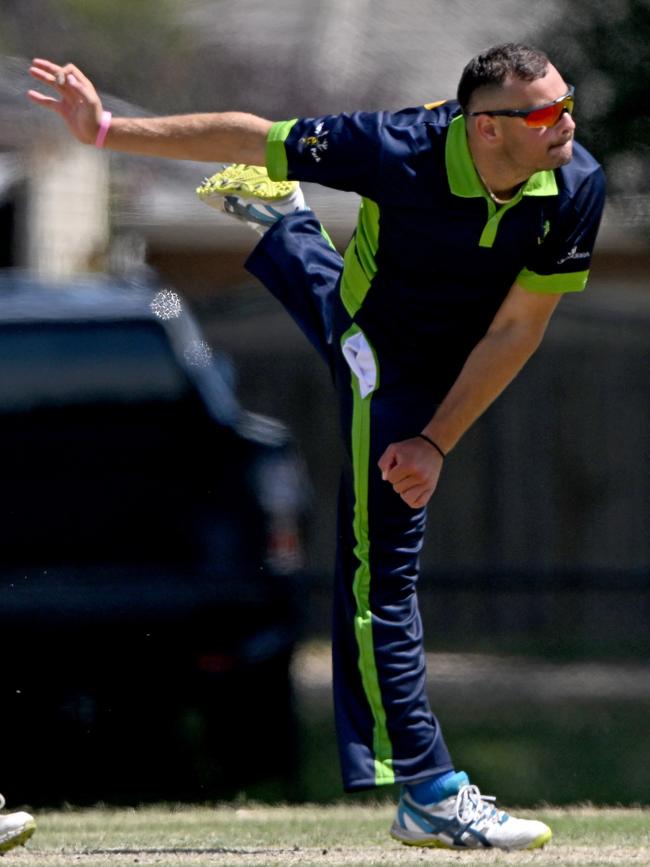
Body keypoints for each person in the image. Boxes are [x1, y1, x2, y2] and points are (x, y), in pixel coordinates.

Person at [28, 43, 605, 851]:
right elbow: (248, 134)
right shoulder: (394, 147)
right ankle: (431, 788)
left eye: (567, 102)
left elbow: (516, 330)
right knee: (383, 569)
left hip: (450, 361)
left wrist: (438, 440)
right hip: (386, 357)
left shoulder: (576, 182)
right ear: (485, 128)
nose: (567, 122)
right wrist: (107, 129)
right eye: (546, 112)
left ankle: (287, 222)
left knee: (339, 332)